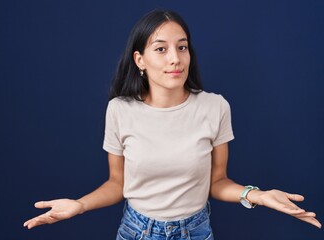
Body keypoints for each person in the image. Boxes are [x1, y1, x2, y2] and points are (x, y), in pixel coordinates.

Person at [23, 9, 321, 239]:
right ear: (140, 60)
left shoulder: (214, 106)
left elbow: (216, 183)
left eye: (182, 47)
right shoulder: (120, 110)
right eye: (161, 49)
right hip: (137, 231)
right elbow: (117, 184)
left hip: (197, 230)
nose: (175, 59)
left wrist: (258, 195)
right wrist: (80, 204)